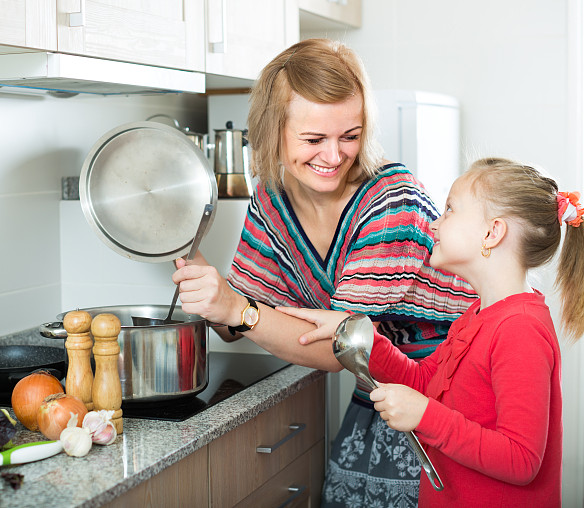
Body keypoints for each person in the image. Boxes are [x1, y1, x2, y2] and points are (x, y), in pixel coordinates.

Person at [173, 38, 477, 507]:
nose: (334, 156)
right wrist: (211, 292)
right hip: (382, 386)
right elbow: (238, 319)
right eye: (314, 139)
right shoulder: (273, 197)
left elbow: (342, 349)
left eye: (349, 136)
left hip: (452, 390)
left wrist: (238, 308)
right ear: (274, 132)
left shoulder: (393, 201)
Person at [279, 157, 581, 506]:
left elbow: (521, 459)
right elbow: (426, 381)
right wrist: (356, 331)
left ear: (492, 233)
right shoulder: (478, 314)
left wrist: (425, 416)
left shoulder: (520, 330)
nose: (434, 225)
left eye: (450, 210)